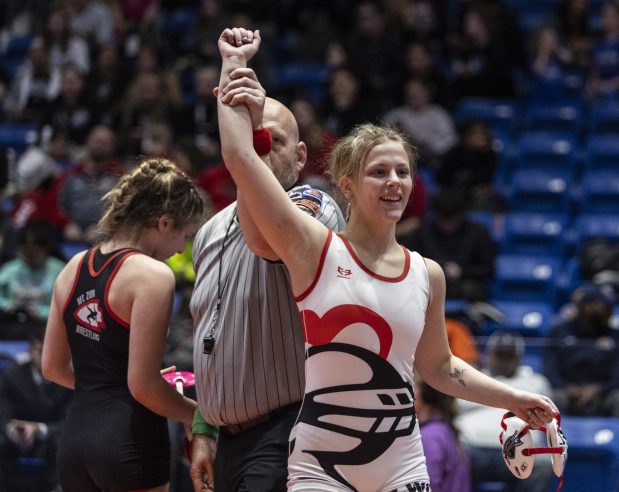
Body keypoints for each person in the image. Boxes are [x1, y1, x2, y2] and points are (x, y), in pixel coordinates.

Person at [215, 27, 558, 491]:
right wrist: (235, 67)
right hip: (321, 466)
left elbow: (440, 368)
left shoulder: (426, 273)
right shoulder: (313, 248)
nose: (394, 181)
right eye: (379, 172)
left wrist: (511, 397)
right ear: (348, 184)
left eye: (403, 171)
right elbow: (240, 158)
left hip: (403, 463)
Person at [189, 70, 346, 491]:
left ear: (298, 157)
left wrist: (244, 150)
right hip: (230, 440)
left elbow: (267, 241)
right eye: (252, 139)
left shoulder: (314, 206)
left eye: (270, 142)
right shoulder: (210, 231)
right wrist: (204, 430)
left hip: (290, 428)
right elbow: (210, 334)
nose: (259, 150)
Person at [41, 157, 203, 492]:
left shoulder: (73, 266)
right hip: (127, 442)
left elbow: (53, 368)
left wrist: (109, 387)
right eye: (184, 236)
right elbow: (143, 387)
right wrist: (198, 415)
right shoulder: (153, 275)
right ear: (164, 222)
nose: (179, 249)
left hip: (75, 444)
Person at [457, 331, 555, 492]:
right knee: (446, 451)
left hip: (518, 450)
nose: (503, 361)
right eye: (499, 355)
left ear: (518, 358)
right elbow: (456, 406)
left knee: (543, 462)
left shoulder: (535, 381)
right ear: (488, 355)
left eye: (508, 356)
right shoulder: (473, 378)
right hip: (470, 449)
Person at [0, 324, 72, 492]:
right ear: (32, 350)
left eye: (53, 353)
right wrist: (11, 428)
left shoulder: (67, 379)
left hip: (51, 434)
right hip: (15, 436)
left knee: (67, 444)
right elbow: (2, 412)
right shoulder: (12, 376)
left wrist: (39, 429)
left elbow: (71, 421)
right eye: (41, 352)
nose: (46, 358)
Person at [400, 188, 496, 302]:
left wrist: (462, 271)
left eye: (452, 220)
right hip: (429, 286)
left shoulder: (478, 232)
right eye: (444, 220)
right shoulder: (422, 232)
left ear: (460, 215)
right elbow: (411, 267)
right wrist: (436, 271)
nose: (448, 226)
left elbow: (488, 269)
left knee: (472, 289)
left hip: (466, 286)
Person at [543, 282, 619, 417]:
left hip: (603, 394)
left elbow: (617, 374)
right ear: (587, 306)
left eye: (610, 306)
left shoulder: (615, 335)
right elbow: (550, 369)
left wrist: (599, 389)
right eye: (603, 306)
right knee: (552, 398)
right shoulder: (560, 332)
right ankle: (551, 437)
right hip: (567, 392)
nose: (609, 311)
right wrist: (568, 388)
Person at [414, 375, 471, 492]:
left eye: (414, 386)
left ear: (427, 395)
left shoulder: (429, 437)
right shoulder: (443, 430)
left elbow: (428, 487)